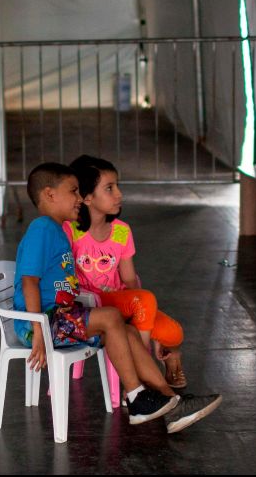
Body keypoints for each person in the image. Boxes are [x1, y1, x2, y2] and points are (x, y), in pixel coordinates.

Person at [14, 162, 221, 433]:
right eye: (73, 192)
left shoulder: (58, 230)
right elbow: (29, 281)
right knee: (111, 316)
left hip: (64, 320)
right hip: (44, 323)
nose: (79, 198)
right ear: (50, 194)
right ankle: (136, 398)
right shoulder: (42, 228)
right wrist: (38, 331)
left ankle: (173, 404)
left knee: (128, 332)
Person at [64, 154, 188, 390]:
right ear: (87, 197)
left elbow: (129, 278)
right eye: (110, 188)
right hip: (91, 304)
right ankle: (145, 375)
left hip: (120, 300)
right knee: (146, 302)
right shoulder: (71, 231)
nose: (119, 194)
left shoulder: (121, 231)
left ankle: (171, 358)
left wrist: (141, 315)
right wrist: (142, 308)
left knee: (173, 333)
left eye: (117, 186)